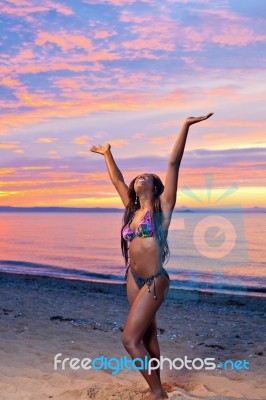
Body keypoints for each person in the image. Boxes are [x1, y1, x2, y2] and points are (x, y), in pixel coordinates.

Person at [90, 112, 214, 400]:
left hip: (154, 280)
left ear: (155, 186)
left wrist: (185, 126)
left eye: (146, 175)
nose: (139, 177)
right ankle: (154, 386)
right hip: (133, 278)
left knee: (129, 339)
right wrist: (108, 154)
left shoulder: (162, 209)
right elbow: (117, 179)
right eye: (138, 176)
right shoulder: (131, 210)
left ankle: (157, 393)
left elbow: (173, 163)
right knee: (147, 336)